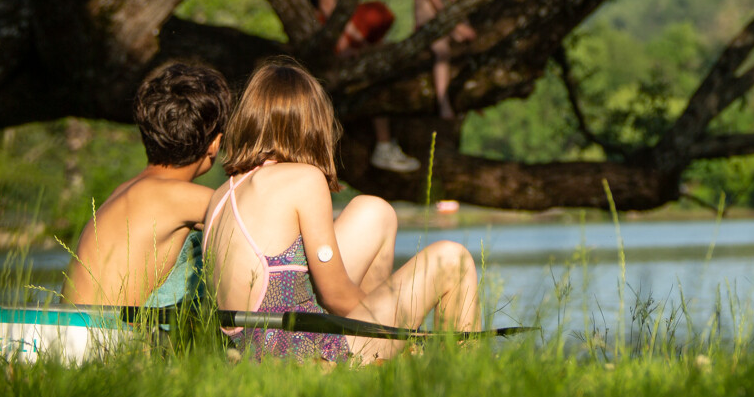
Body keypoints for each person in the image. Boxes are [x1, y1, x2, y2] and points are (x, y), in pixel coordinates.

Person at [202, 59, 481, 364]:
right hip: (300, 356)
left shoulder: (222, 194)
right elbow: (335, 295)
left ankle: (380, 368)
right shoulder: (302, 178)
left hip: (247, 353)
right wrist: (403, 334)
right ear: (310, 125)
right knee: (451, 259)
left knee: (374, 210)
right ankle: (463, 378)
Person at [64, 62, 231, 308]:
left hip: (65, 325)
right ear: (215, 144)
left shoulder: (127, 189)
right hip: (101, 333)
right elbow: (252, 221)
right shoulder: (179, 197)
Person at [293, 0, 419, 173]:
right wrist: (343, 42)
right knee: (377, 43)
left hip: (318, 27)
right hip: (322, 30)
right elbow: (327, 5)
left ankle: (385, 142)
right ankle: (384, 144)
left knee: (378, 32)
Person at [414, 0, 478, 120]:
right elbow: (439, 8)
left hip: (445, 28)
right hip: (428, 30)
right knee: (442, 52)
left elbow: (456, 6)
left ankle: (469, 95)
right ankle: (443, 101)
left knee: (468, 46)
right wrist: (458, 28)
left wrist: (464, 25)